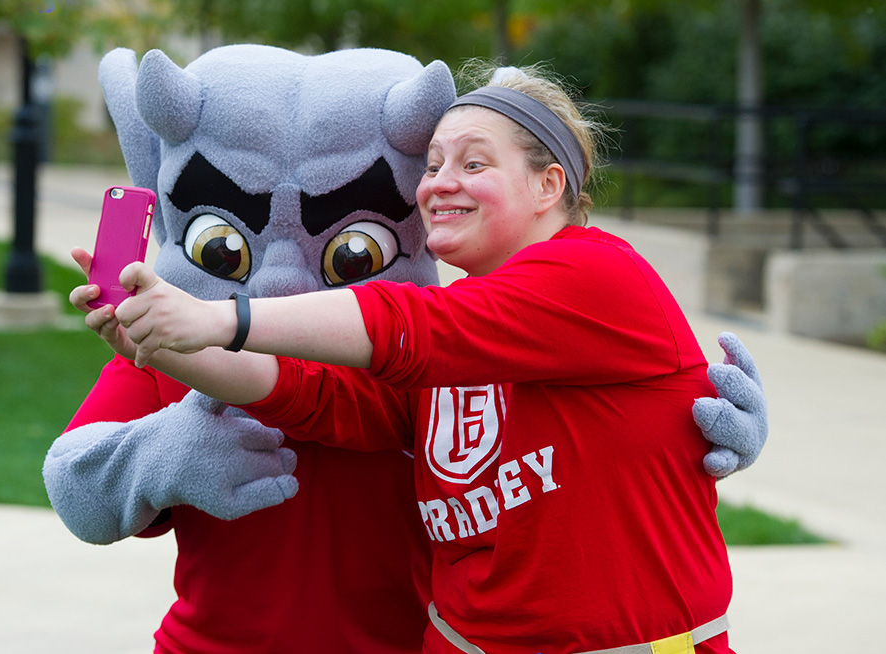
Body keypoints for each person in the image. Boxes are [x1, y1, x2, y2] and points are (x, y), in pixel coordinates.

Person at [72, 63, 738, 653]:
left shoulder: (593, 273)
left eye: (473, 164)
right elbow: (322, 395)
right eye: (432, 165)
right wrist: (166, 343)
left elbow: (411, 325)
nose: (440, 185)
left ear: (547, 185)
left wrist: (222, 316)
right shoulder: (458, 332)